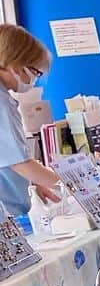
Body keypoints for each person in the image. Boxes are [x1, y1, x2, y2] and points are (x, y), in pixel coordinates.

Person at [0, 24, 61, 216]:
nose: (34, 79)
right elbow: (19, 162)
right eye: (35, 72)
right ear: (16, 64)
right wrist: (74, 185)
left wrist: (37, 181)